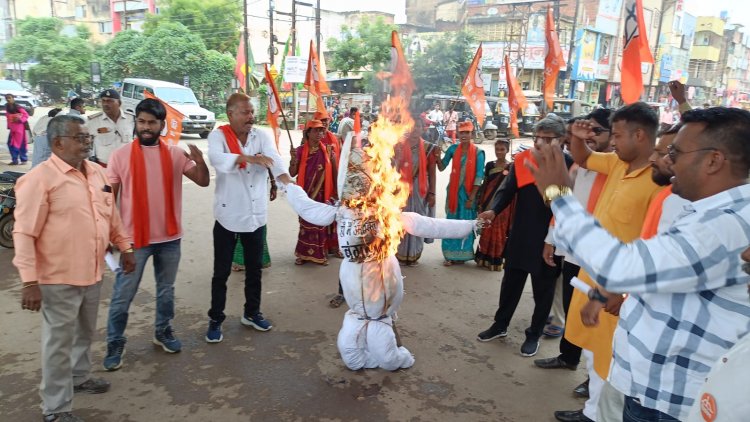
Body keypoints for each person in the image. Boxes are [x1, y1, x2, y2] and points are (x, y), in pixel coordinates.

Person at [528, 106, 750, 422]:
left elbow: (622, 265)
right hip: (654, 388)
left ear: (714, 160)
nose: (668, 161)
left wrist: (559, 195)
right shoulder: (710, 213)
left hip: (669, 403)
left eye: (676, 152)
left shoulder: (723, 226)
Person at [284, 132, 480, 370]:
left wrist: (472, 225)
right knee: (352, 358)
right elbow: (308, 208)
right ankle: (368, 345)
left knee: (389, 360)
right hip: (355, 311)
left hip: (380, 305)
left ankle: (396, 352)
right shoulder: (342, 212)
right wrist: (286, 184)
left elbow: (431, 225)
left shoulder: (387, 214)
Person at [12, 114, 135, 422]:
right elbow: (24, 233)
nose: (87, 143)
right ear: (57, 143)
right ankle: (55, 409)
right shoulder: (39, 180)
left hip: (92, 271)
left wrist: (125, 246)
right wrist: (29, 282)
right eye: (80, 138)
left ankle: (80, 378)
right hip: (57, 279)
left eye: (88, 137)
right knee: (58, 344)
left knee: (84, 332)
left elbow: (112, 215)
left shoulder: (96, 172)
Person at [550, 103, 663, 422]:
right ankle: (592, 410)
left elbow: (651, 247)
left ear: (640, 136)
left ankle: (599, 414)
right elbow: (584, 157)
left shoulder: (660, 183)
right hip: (593, 277)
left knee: (612, 361)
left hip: (619, 290)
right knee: (593, 352)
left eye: (617, 135)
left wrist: (554, 190)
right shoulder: (616, 163)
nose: (611, 141)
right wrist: (576, 136)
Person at [103, 98, 210, 370]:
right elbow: (109, 199)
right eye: (142, 122)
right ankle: (115, 342)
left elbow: (202, 180)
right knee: (122, 295)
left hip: (169, 239)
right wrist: (108, 234)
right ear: (136, 123)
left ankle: (163, 331)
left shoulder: (174, 154)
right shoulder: (120, 156)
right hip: (133, 241)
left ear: (162, 124)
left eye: (152, 122)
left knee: (166, 292)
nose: (146, 127)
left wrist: (200, 162)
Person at [475, 115, 572, 357]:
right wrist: (493, 209)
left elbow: (562, 206)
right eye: (538, 137)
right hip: (520, 233)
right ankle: (500, 325)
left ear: (562, 140)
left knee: (543, 290)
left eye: (548, 139)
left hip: (549, 238)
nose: (540, 143)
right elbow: (507, 189)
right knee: (510, 284)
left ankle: (534, 334)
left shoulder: (569, 164)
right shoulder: (523, 160)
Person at [534, 111, 612, 396]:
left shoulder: (615, 169)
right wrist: (550, 239)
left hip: (601, 256)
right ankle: (568, 356)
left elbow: (561, 199)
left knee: (598, 320)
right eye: (579, 134)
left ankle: (596, 381)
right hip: (572, 251)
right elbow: (562, 205)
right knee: (572, 309)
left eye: (596, 132)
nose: (587, 138)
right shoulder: (580, 167)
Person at [205, 93, 293, 343]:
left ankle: (252, 313)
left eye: (252, 112)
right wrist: (247, 158)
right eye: (245, 112)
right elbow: (217, 160)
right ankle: (215, 319)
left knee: (255, 270)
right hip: (228, 215)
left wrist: (287, 182)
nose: (251, 117)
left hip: (256, 216)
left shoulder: (260, 135)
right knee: (221, 272)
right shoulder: (219, 136)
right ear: (230, 113)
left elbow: (274, 160)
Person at [289, 120, 338, 266]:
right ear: (308, 132)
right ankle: (303, 254)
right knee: (306, 223)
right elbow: (292, 173)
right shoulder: (299, 151)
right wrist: (293, 160)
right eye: (316, 130)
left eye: (322, 131)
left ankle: (320, 253)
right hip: (305, 194)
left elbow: (335, 173)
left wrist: (337, 192)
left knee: (320, 222)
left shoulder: (329, 151)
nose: (320, 133)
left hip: (323, 194)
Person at [436, 120, 485, 265]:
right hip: (453, 194)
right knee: (452, 223)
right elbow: (442, 167)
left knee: (465, 224)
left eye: (467, 133)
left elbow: (479, 176)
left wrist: (472, 197)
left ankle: (462, 255)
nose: (464, 135)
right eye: (462, 132)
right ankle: (450, 256)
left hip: (468, 195)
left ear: (472, 134)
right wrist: (437, 157)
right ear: (457, 133)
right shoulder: (452, 149)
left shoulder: (478, 153)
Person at [395, 117, 438, 266]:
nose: (415, 130)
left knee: (417, 221)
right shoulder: (399, 146)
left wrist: (432, 193)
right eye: (412, 127)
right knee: (401, 221)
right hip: (401, 190)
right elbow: (393, 168)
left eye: (418, 127)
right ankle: (400, 253)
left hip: (420, 191)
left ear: (422, 129)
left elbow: (432, 172)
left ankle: (414, 254)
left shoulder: (429, 148)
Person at [474, 139, 512, 271]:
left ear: (507, 150)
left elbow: (511, 189)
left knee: (499, 231)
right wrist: (480, 201)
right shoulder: (490, 165)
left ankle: (495, 260)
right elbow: (485, 184)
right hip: (488, 201)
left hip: (503, 206)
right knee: (487, 228)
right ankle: (483, 257)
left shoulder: (511, 166)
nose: (499, 152)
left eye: (502, 149)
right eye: (497, 149)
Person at [232, 171, 276, 271]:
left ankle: (258, 260)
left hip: (258, 186)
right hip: (239, 186)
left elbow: (270, 161)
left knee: (258, 222)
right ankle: (239, 260)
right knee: (241, 221)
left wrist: (273, 184)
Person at [87, 89, 135, 166]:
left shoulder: (131, 119)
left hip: (127, 166)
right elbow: (86, 144)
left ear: (119, 103)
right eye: (103, 101)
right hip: (104, 168)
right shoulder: (93, 121)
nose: (105, 104)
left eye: (110, 101)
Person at [5, 93, 29, 165]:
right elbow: (8, 117)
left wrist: (20, 120)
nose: (8, 99)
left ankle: (23, 160)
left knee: (20, 144)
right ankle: (14, 160)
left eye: (9, 98)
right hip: (12, 129)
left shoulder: (18, 107)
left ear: (13, 98)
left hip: (19, 128)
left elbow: (26, 115)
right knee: (10, 143)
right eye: (7, 98)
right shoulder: (7, 107)